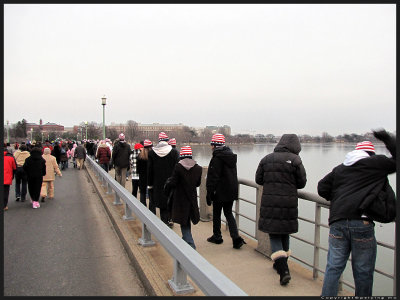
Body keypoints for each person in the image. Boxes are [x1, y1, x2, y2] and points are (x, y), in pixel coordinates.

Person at [317, 129, 396, 297]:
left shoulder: (341, 168)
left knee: (333, 267)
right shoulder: (376, 163)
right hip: (362, 222)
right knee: (363, 272)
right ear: (370, 153)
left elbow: (322, 187)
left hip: (338, 221)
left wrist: (341, 198)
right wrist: (388, 139)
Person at [255, 134, 307, 285]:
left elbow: (259, 179)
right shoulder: (296, 160)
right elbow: (302, 182)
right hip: (289, 202)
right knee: (285, 232)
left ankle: (282, 267)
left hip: (270, 201)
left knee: (275, 234)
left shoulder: (266, 159)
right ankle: (282, 265)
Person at [206, 133, 246, 249]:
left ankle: (217, 236)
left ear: (214, 145)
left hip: (219, 191)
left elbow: (213, 178)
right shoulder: (230, 156)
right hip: (231, 190)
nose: (210, 147)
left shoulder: (217, 158)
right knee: (228, 213)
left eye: (211, 144)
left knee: (217, 213)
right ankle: (236, 238)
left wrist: (209, 192)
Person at [164, 146, 202, 249]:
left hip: (180, 199)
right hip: (192, 199)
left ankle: (191, 246)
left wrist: (167, 185)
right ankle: (185, 241)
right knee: (187, 220)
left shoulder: (178, 167)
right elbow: (198, 183)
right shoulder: (198, 168)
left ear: (181, 156)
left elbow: (173, 182)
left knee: (183, 222)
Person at [147, 132, 179, 226]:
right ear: (167, 141)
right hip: (171, 183)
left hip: (157, 184)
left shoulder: (152, 153)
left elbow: (150, 171)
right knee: (169, 203)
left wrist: (150, 185)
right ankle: (169, 220)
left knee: (161, 206)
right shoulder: (174, 152)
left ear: (159, 141)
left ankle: (163, 223)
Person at [137, 140, 156, 213]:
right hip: (151, 179)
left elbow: (138, 169)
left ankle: (143, 210)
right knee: (152, 196)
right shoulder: (153, 155)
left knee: (142, 193)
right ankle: (152, 211)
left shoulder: (140, 155)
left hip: (142, 178)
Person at [4, 145, 17, 211]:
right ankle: (4, 205)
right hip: (7, 177)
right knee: (5, 192)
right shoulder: (11, 158)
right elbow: (14, 168)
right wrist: (12, 175)